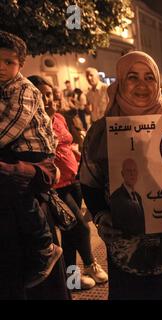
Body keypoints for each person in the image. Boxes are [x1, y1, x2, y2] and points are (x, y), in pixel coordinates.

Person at [80, 51, 162, 300]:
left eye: (149, 77)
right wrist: (101, 216)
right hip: (128, 249)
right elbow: (90, 183)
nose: (142, 85)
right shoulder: (101, 132)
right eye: (132, 77)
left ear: (158, 82)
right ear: (119, 82)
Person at [28, 75, 108, 290]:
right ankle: (90, 264)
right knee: (80, 228)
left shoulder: (60, 118)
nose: (49, 99)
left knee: (71, 236)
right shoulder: (33, 124)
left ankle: (72, 280)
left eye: (50, 94)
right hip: (55, 188)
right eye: (42, 95)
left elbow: (68, 143)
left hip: (74, 180)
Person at [0, 31, 63, 291]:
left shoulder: (24, 89)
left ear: (20, 65)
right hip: (18, 152)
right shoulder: (4, 89)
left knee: (22, 196)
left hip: (32, 152)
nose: (1, 67)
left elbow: (10, 128)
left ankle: (45, 246)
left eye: (8, 62)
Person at [110, 158, 144, 236]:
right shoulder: (116, 197)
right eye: (129, 170)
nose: (132, 174)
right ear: (122, 173)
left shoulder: (138, 196)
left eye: (134, 170)